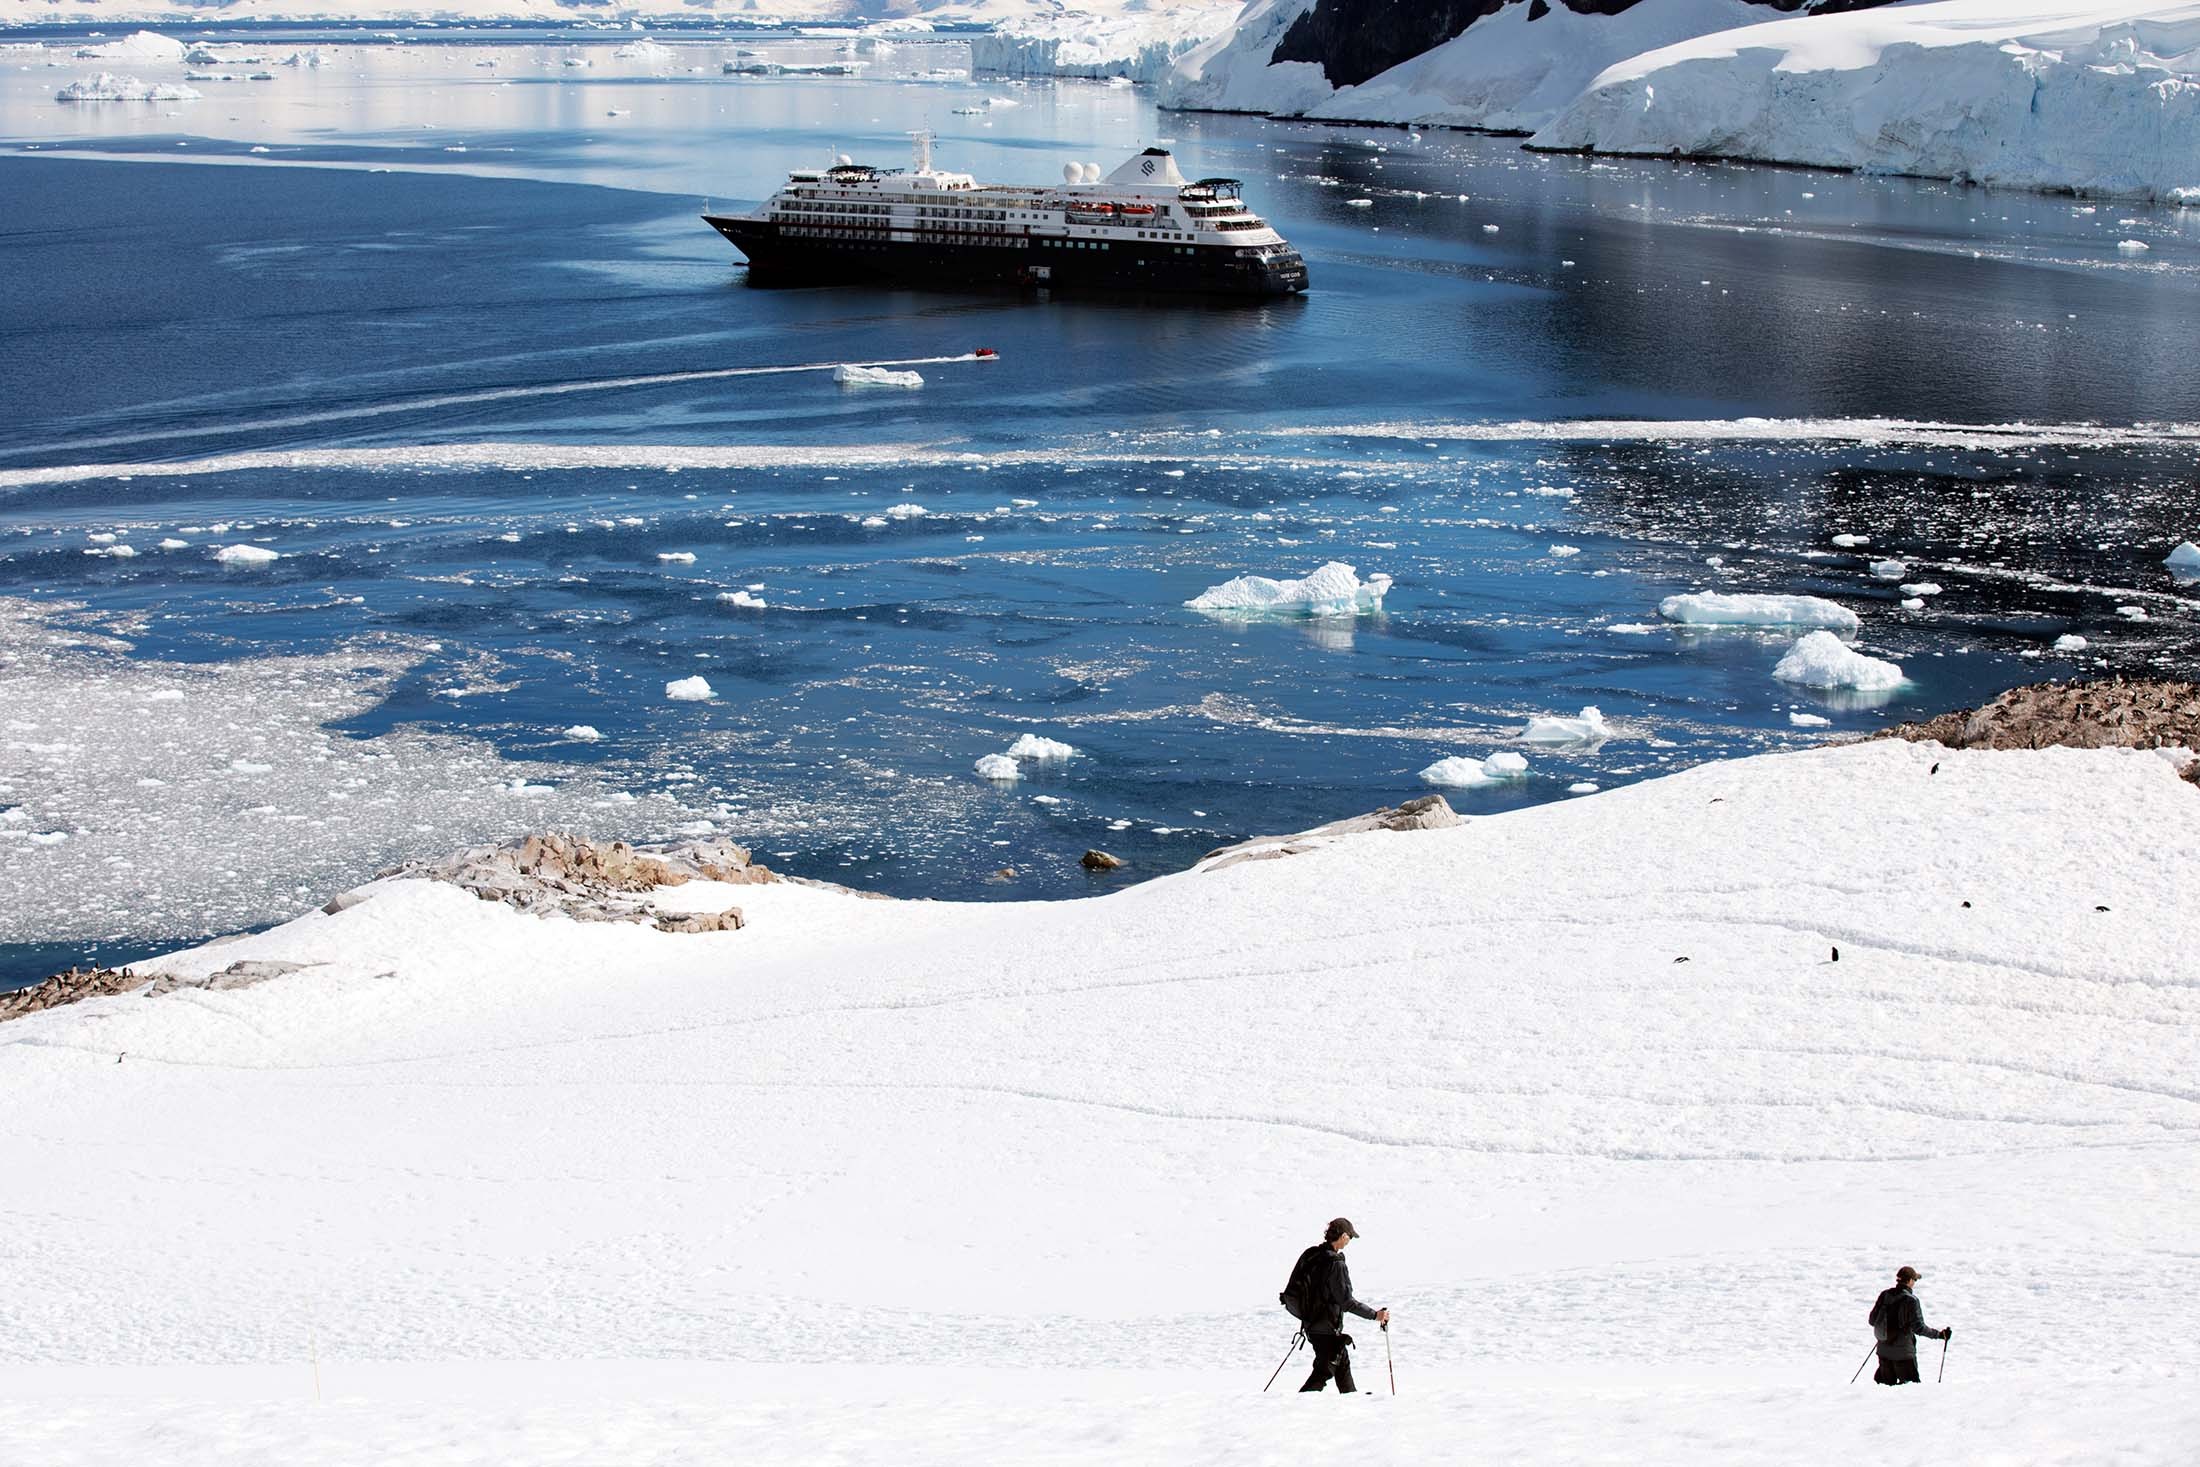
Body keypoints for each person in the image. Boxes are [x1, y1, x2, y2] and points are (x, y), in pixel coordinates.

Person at [1293, 1217, 1389, 1393]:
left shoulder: (1314, 1255)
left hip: (1311, 1324)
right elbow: (1347, 1302)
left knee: (1340, 1361)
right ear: (1343, 1235)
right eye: (1350, 1237)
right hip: (1326, 1328)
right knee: (1324, 1370)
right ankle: (1297, 1404)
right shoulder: (1335, 1264)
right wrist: (1375, 1315)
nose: (1350, 1240)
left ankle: (1352, 1400)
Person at [1868, 1266, 1951, 1385]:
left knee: (1884, 1392)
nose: (1915, 1283)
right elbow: (1919, 1328)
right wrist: (1940, 1335)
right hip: (1904, 1355)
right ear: (1910, 1281)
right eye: (1915, 1280)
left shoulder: (1884, 1295)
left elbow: (1872, 1320)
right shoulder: (1911, 1300)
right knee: (1910, 1394)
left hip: (1883, 1352)